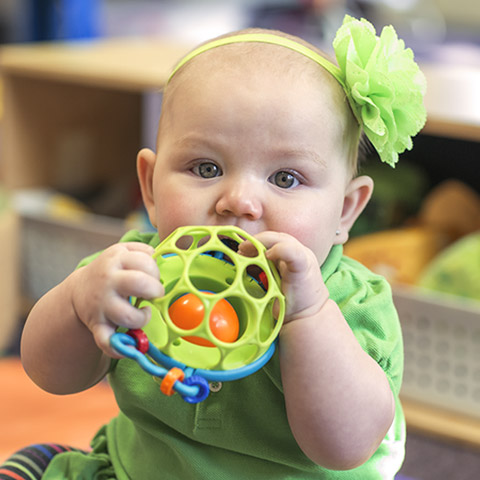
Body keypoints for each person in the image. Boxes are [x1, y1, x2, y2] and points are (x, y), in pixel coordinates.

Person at [2, 15, 426, 480]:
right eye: (205, 168)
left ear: (345, 211)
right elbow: (50, 375)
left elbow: (346, 447)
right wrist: (78, 301)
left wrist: (308, 316)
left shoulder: (352, 302)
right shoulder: (139, 270)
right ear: (149, 185)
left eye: (285, 178)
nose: (239, 202)